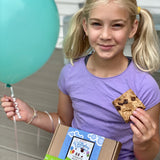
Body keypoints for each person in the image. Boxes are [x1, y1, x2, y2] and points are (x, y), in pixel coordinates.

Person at [1, 0, 160, 159]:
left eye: (117, 25)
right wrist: (32, 115)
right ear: (85, 26)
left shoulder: (142, 86)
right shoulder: (71, 74)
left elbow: (148, 155)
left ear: (132, 28)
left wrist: (143, 142)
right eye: (97, 24)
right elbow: (65, 123)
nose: (105, 35)